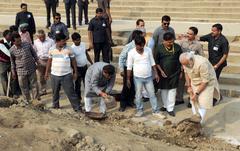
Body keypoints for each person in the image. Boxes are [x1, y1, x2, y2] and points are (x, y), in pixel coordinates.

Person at [127, 36, 166, 119]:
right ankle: (139, 110)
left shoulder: (148, 50)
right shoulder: (131, 53)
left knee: (152, 94)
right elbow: (129, 67)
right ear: (136, 45)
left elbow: (152, 62)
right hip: (137, 78)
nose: (141, 47)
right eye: (140, 46)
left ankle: (155, 111)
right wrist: (128, 79)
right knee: (138, 95)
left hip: (148, 77)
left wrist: (156, 73)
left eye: (143, 45)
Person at [179, 52, 220, 124]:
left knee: (203, 102)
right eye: (184, 65)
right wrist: (189, 86)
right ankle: (195, 116)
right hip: (194, 80)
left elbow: (205, 81)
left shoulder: (202, 63)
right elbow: (186, 73)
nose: (185, 66)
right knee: (193, 101)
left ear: (191, 60)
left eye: (187, 64)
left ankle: (199, 123)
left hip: (207, 82)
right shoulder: (185, 62)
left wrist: (197, 93)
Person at [45, 33, 81, 112]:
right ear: (57, 42)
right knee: (55, 93)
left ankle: (77, 108)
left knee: (71, 92)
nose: (64, 42)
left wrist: (75, 72)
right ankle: (55, 106)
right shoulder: (51, 49)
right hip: (54, 75)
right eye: (62, 41)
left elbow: (73, 61)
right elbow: (49, 61)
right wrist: (46, 72)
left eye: (65, 40)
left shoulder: (69, 49)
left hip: (66, 75)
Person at [155, 32, 182, 117]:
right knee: (164, 90)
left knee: (172, 90)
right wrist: (161, 71)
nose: (171, 43)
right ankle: (165, 105)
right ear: (164, 41)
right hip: (163, 74)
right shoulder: (159, 48)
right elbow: (156, 62)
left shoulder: (177, 47)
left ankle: (170, 108)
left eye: (172, 41)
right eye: (169, 42)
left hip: (175, 73)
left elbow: (181, 60)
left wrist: (181, 71)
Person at [176, 26, 204, 106]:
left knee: (192, 84)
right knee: (180, 83)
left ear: (195, 35)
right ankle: (179, 99)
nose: (188, 35)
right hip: (182, 66)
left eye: (190, 34)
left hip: (192, 68)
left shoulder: (198, 45)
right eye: (187, 33)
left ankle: (191, 99)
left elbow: (202, 56)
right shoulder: (182, 42)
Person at [10, 33, 40, 103]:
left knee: (34, 85)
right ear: (13, 42)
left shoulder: (27, 44)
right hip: (20, 70)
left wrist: (37, 62)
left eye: (20, 40)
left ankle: (36, 101)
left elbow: (34, 54)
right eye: (17, 41)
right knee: (23, 87)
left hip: (31, 68)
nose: (19, 42)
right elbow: (12, 62)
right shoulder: (11, 50)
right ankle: (27, 101)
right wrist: (13, 72)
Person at [118, 30, 143, 112]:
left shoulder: (141, 46)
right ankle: (122, 104)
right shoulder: (128, 46)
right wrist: (121, 69)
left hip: (136, 69)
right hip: (128, 69)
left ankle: (130, 101)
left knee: (133, 87)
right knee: (126, 87)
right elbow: (121, 57)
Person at [71, 32, 93, 100]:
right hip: (77, 68)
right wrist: (75, 71)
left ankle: (88, 97)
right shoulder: (72, 48)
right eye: (77, 40)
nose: (79, 41)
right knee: (78, 85)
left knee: (86, 83)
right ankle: (78, 98)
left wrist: (91, 63)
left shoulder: (83, 44)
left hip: (85, 67)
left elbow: (86, 54)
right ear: (73, 40)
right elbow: (71, 61)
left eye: (79, 39)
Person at [34, 30, 55, 96]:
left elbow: (54, 50)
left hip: (50, 60)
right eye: (40, 37)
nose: (42, 38)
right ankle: (43, 90)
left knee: (53, 75)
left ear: (45, 35)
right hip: (40, 61)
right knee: (41, 76)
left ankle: (55, 89)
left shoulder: (51, 41)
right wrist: (36, 61)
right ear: (37, 37)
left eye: (43, 37)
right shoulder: (35, 42)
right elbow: (34, 52)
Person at [0, 30, 20, 97]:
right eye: (9, 35)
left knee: (13, 78)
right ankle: (7, 94)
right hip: (3, 63)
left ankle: (14, 93)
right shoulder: (1, 43)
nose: (11, 36)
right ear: (5, 36)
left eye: (11, 35)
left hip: (12, 62)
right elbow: (8, 53)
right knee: (4, 78)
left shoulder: (12, 42)